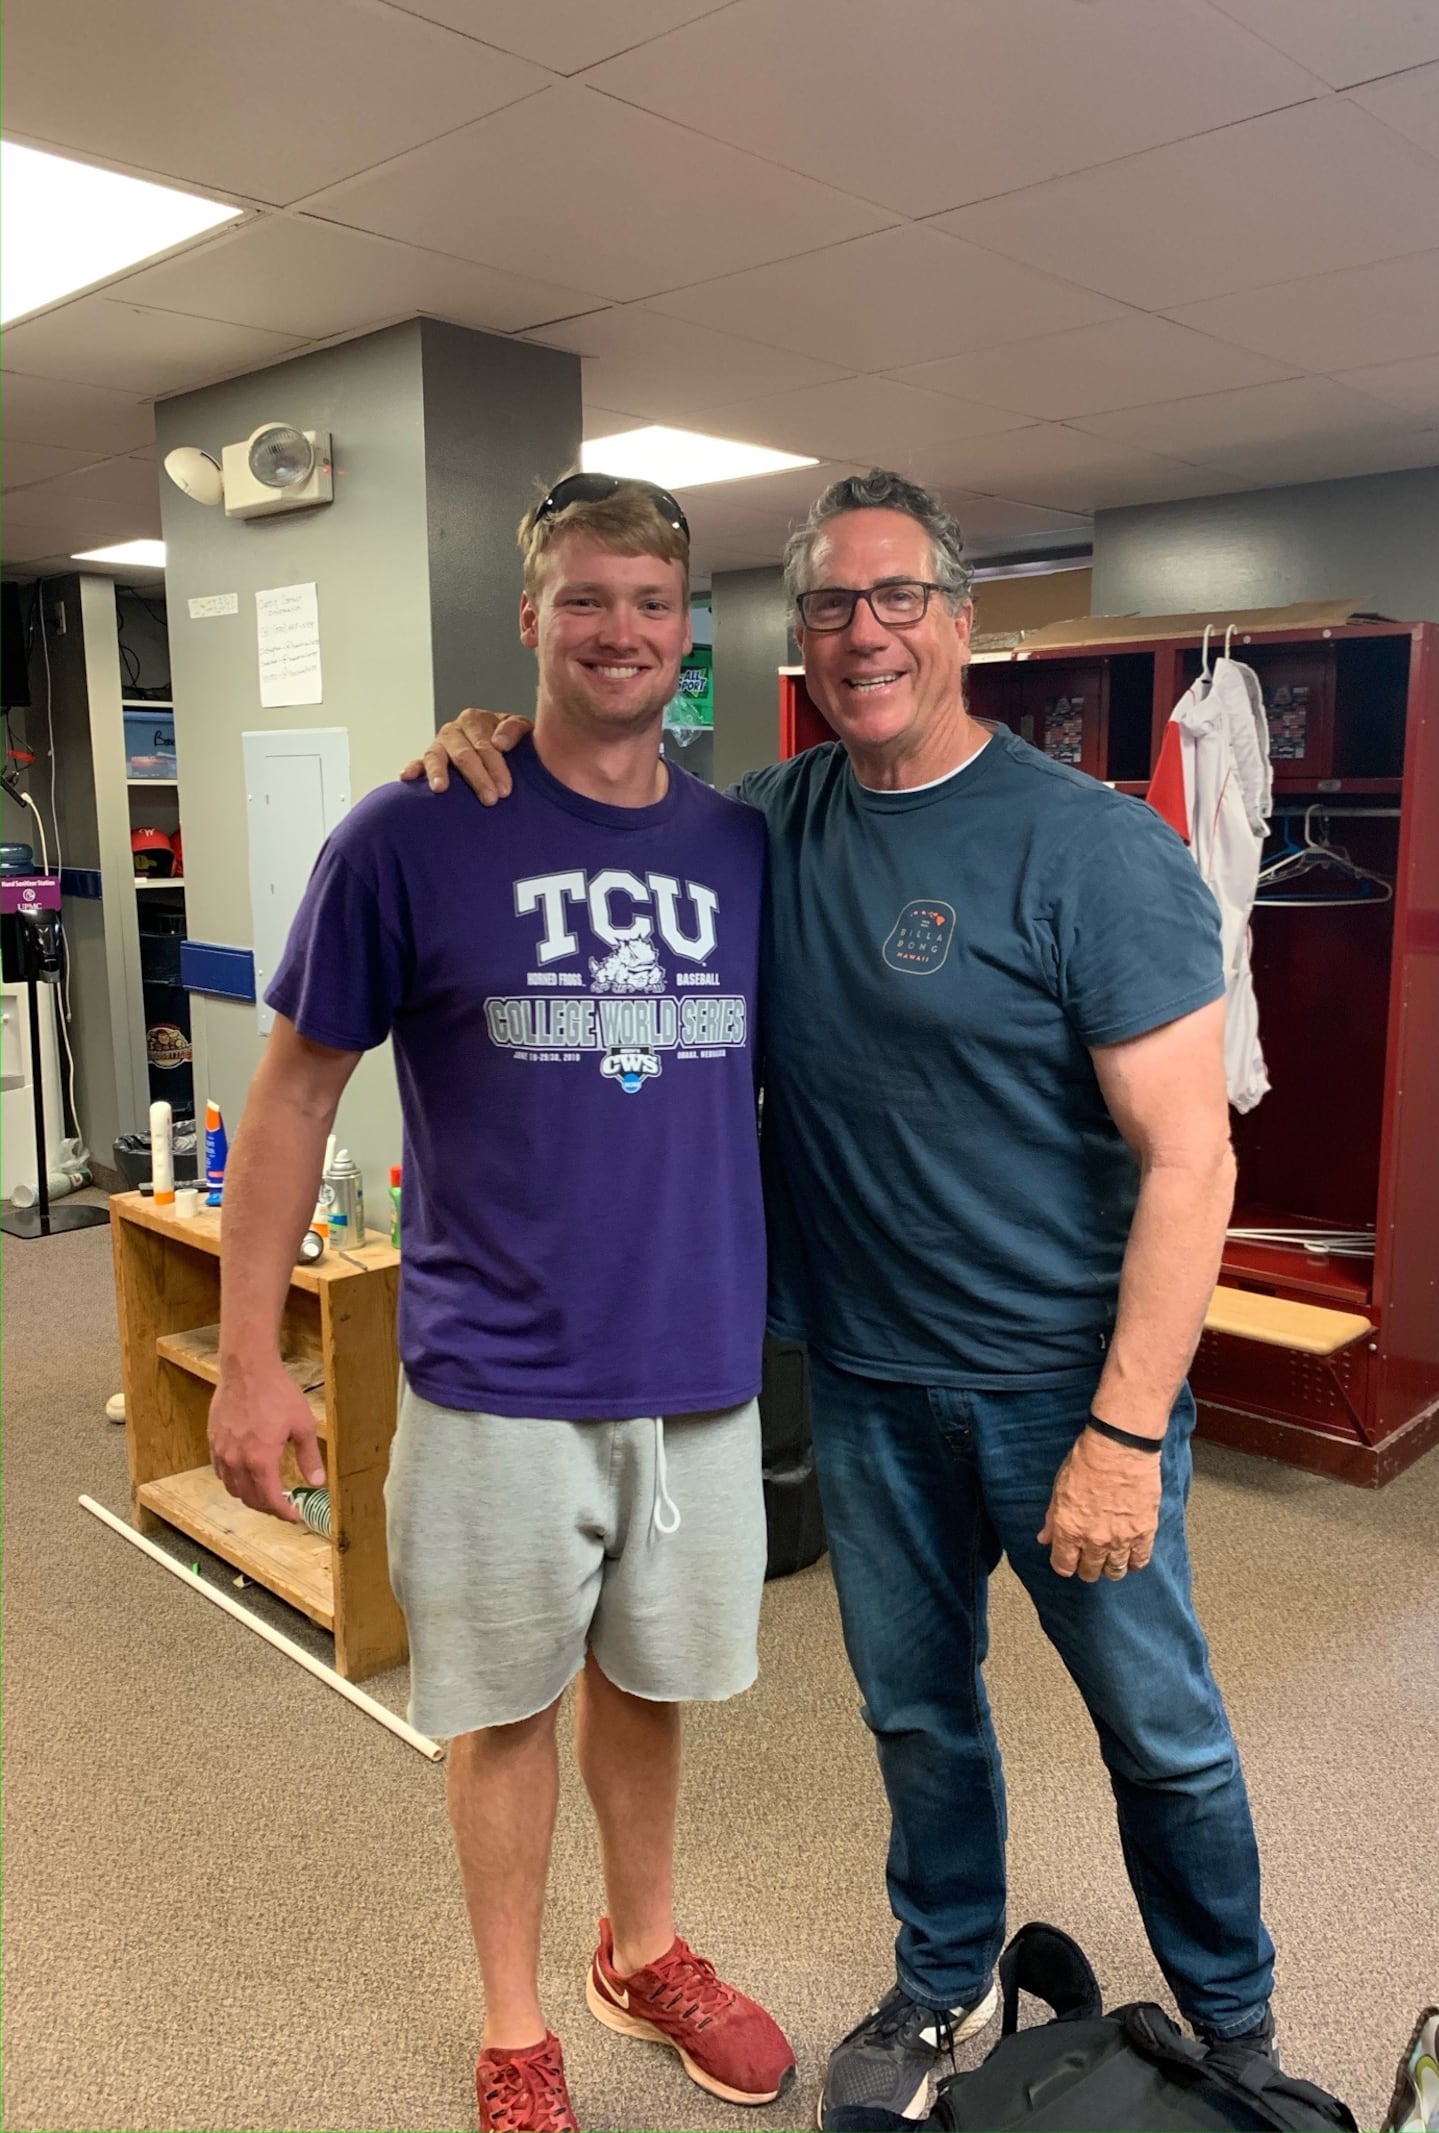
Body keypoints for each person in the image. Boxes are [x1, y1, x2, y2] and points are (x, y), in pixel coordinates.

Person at [411, 469, 1277, 2128]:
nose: (864, 630)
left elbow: (1192, 1164)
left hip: (1062, 1388)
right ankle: (944, 1975)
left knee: (1157, 1725)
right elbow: (607, 800)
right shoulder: (768, 827)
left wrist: (1123, 1427)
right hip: (868, 1383)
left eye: (898, 598)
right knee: (918, 1714)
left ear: (961, 620)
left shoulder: (1095, 848)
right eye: (828, 602)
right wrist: (483, 748)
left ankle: (1235, 2022)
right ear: (796, 632)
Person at [211, 472, 795, 2133]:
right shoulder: (410, 831)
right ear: (531, 617)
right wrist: (251, 1360)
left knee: (655, 1682)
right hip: (496, 1378)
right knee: (504, 1704)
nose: (621, 629)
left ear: (690, 635)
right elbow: (293, 1100)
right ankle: (518, 2022)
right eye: (587, 598)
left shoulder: (743, 846)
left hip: (695, 1372)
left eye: (652, 603)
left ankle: (648, 1948)